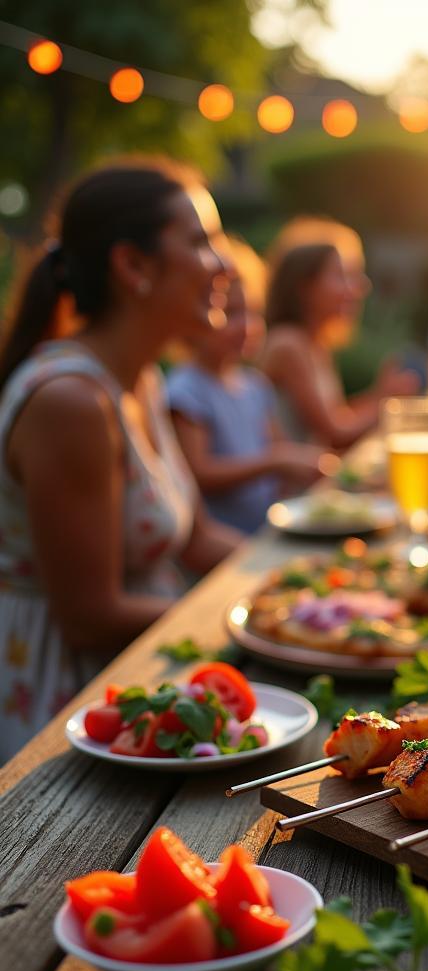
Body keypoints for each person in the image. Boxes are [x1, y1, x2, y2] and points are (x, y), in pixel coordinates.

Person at [0, 159, 241, 760]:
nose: (224, 263)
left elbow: (196, 535)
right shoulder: (71, 402)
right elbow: (89, 615)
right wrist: (239, 621)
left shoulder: (141, 380)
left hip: (146, 671)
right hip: (67, 709)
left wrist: (294, 586)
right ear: (133, 265)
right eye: (200, 242)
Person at [167, 259, 326, 534]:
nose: (247, 326)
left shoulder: (255, 386)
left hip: (266, 533)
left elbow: (280, 448)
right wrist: (275, 462)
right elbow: (200, 472)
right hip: (223, 546)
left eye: (253, 313)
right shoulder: (186, 391)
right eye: (231, 313)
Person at [259, 217, 417, 449]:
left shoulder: (314, 342)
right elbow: (334, 435)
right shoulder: (287, 344)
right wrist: (387, 405)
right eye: (342, 276)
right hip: (299, 485)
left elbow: (336, 416)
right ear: (305, 287)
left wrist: (379, 396)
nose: (359, 288)